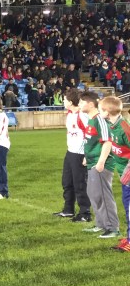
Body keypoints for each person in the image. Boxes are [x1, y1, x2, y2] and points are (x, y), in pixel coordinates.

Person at [78, 92, 120, 238]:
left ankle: (112, 228)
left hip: (100, 164)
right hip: (92, 162)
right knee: (94, 194)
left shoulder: (99, 120)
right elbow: (92, 140)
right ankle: (101, 224)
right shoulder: (91, 120)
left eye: (82, 102)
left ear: (90, 104)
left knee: (103, 195)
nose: (79, 104)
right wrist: (86, 156)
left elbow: (108, 141)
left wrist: (101, 161)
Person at [53, 89, 91, 221]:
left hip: (80, 154)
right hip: (70, 152)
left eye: (64, 99)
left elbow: (90, 135)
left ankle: (85, 213)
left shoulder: (82, 115)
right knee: (67, 182)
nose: (63, 101)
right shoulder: (70, 114)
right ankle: (68, 209)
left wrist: (87, 154)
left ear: (70, 101)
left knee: (80, 183)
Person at [99, 96, 130, 250]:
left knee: (129, 207)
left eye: (100, 109)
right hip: (123, 172)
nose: (99, 112)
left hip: (128, 174)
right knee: (127, 205)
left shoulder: (125, 127)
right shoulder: (110, 125)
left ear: (107, 112)